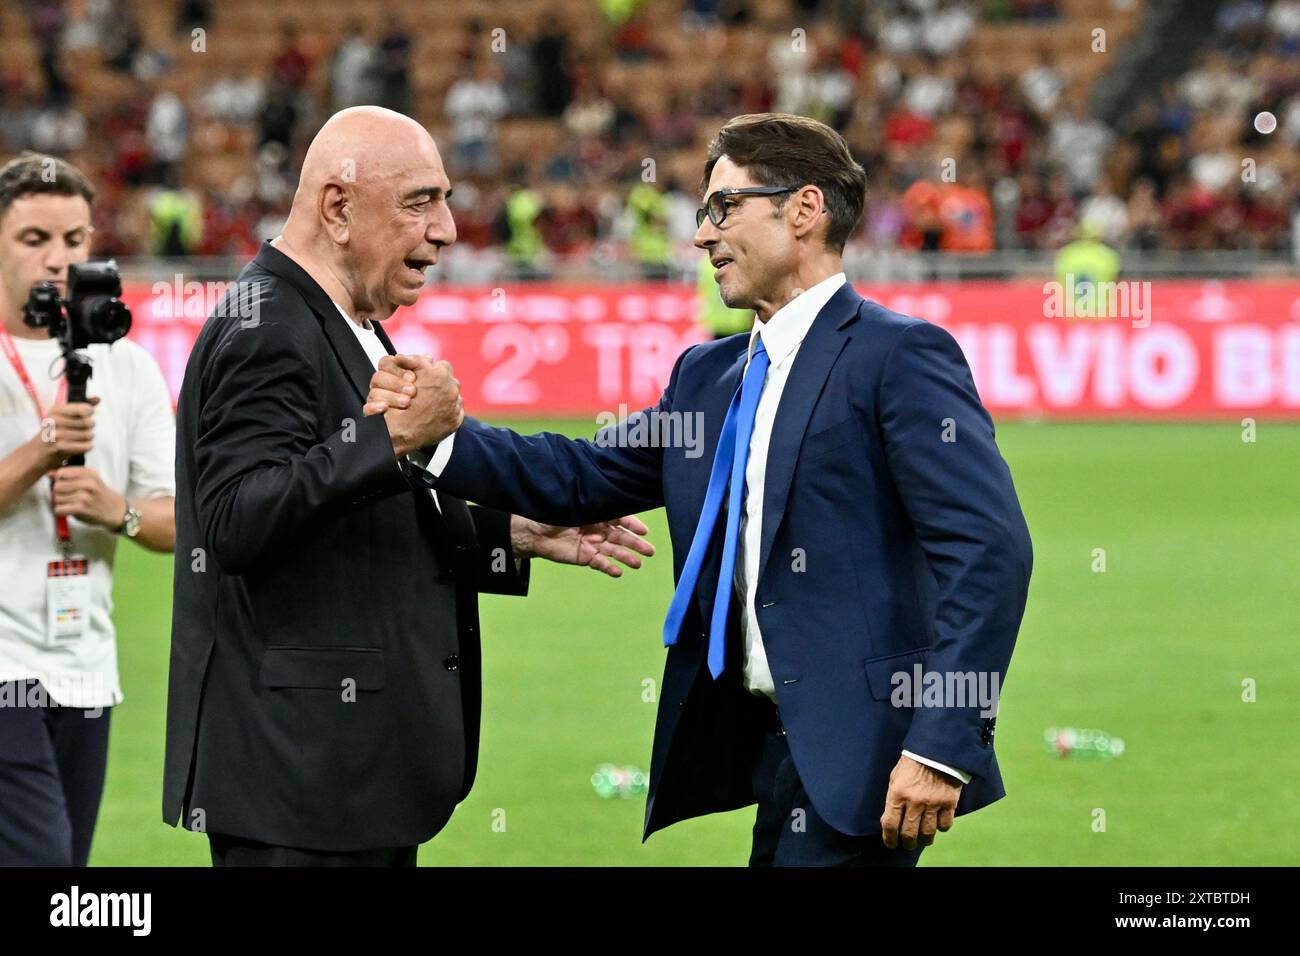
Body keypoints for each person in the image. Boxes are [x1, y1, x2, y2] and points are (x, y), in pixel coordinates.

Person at [367, 113, 1033, 866]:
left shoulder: (899, 357)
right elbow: (582, 474)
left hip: (868, 757)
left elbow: (991, 553)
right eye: (701, 213)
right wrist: (439, 434)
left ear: (805, 209)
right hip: (772, 753)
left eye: (724, 208)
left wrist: (942, 747)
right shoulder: (708, 377)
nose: (703, 236)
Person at [163, 106, 654, 867]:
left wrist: (514, 534)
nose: (448, 228)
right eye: (421, 201)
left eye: (446, 199)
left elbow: (367, 511)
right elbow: (235, 520)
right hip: (300, 788)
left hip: (355, 779)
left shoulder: (349, 318)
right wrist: (393, 436)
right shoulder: (266, 324)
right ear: (337, 207)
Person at [0, 152, 176, 866]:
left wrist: (116, 511)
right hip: (3, 665)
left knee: (66, 868)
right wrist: (37, 454)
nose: (57, 259)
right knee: (42, 864)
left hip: (86, 664)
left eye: (73, 241)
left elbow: (176, 523)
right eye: (34, 239)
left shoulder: (128, 366)